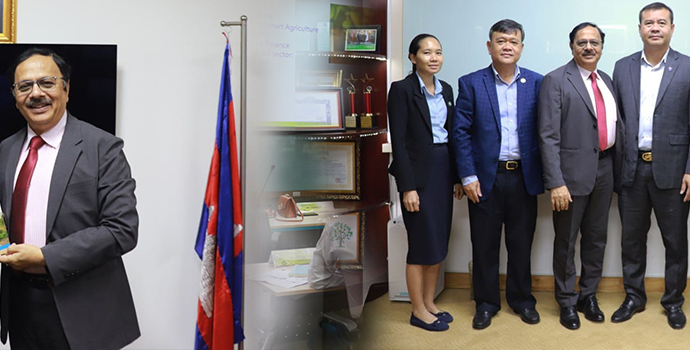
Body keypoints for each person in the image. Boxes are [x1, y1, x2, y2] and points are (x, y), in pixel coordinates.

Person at [0, 48, 139, 348]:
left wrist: (45, 257)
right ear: (15, 97)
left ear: (66, 88)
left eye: (47, 82)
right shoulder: (5, 151)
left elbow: (122, 230)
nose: (35, 93)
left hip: (84, 311)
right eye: (25, 86)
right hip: (21, 307)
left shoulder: (103, 148)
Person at [453, 19, 544, 330]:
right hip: (484, 180)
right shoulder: (471, 83)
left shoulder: (536, 83)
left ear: (521, 47)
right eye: (501, 41)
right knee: (484, 245)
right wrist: (467, 176)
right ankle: (487, 303)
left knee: (521, 244)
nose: (507, 46)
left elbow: (545, 132)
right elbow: (461, 133)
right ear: (489, 46)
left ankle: (522, 300)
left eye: (513, 41)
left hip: (523, 178)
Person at [538, 23, 622, 330]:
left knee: (597, 239)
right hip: (569, 177)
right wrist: (556, 182)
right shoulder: (556, 80)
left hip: (605, 169)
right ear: (571, 46)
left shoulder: (607, 81)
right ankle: (566, 301)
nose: (589, 47)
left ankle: (589, 296)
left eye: (594, 42)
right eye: (582, 42)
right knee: (566, 240)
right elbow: (547, 136)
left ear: (602, 46)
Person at [612, 2, 689, 330]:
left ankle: (673, 301)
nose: (655, 27)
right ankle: (634, 296)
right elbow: (616, 121)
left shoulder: (687, 67)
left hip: (674, 171)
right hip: (632, 169)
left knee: (675, 241)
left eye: (661, 22)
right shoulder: (622, 67)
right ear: (640, 28)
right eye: (648, 23)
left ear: (672, 28)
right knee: (631, 239)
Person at [388, 34, 462, 332]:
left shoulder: (445, 89)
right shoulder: (402, 90)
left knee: (438, 240)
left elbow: (452, 135)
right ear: (412, 57)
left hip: (443, 168)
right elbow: (400, 143)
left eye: (438, 53)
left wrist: (456, 177)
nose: (434, 58)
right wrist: (408, 187)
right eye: (427, 52)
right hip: (418, 175)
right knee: (420, 242)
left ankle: (430, 302)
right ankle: (417, 310)